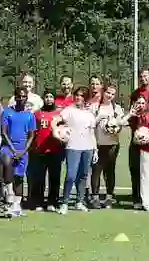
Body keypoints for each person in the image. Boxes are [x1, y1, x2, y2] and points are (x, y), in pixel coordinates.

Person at [52, 86, 97, 214]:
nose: (78, 98)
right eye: (77, 95)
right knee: (71, 175)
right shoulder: (69, 110)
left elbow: (92, 133)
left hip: (88, 147)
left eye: (82, 96)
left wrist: (95, 150)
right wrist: (56, 131)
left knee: (83, 175)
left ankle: (79, 201)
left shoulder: (89, 114)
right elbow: (55, 120)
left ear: (86, 98)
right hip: (72, 147)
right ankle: (64, 203)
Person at [0, 87, 37, 217]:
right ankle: (9, 196)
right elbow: (3, 132)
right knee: (7, 162)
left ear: (27, 98)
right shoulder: (6, 112)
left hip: (23, 151)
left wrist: (23, 151)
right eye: (18, 96)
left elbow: (31, 135)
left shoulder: (30, 115)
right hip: (8, 148)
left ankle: (16, 206)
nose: (21, 99)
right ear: (14, 97)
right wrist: (13, 149)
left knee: (19, 178)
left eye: (23, 96)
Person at [91, 84, 128, 208]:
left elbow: (122, 123)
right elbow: (90, 125)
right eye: (108, 93)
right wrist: (99, 118)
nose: (110, 96)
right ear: (103, 92)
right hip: (97, 144)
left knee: (110, 171)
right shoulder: (95, 107)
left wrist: (116, 129)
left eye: (112, 94)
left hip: (112, 145)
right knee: (96, 170)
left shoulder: (116, 108)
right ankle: (95, 197)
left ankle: (109, 197)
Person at [29, 90, 64, 212]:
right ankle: (38, 201)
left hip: (55, 150)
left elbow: (65, 130)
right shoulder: (37, 114)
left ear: (54, 99)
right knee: (39, 178)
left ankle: (52, 202)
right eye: (47, 97)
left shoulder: (60, 114)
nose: (49, 99)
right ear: (43, 99)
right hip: (40, 150)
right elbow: (33, 131)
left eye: (51, 97)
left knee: (54, 178)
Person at [128, 69, 149, 207]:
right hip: (136, 135)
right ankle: (136, 197)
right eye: (141, 76)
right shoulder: (135, 93)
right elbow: (131, 113)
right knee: (135, 166)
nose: (143, 78)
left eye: (145, 75)